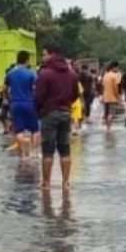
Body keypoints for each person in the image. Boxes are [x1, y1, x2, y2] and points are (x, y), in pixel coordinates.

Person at [34, 44, 80, 190]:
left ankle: (46, 183)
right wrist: (66, 104)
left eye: (44, 54)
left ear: (52, 54)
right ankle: (66, 182)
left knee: (48, 149)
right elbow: (75, 94)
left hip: (49, 113)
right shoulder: (71, 73)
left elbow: (38, 96)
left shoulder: (45, 73)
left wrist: (40, 110)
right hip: (66, 113)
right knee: (65, 149)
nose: (43, 57)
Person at [6, 51, 40, 158]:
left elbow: (4, 89)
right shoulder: (31, 73)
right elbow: (36, 89)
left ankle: (24, 154)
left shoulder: (10, 73)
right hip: (29, 103)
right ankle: (34, 152)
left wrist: (9, 99)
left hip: (15, 103)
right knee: (35, 129)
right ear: (27, 60)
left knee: (19, 130)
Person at [101, 61, 122, 132]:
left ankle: (107, 127)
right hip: (112, 98)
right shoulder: (114, 76)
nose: (117, 69)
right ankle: (109, 128)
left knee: (106, 114)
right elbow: (115, 88)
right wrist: (118, 97)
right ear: (114, 67)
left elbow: (103, 87)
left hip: (105, 97)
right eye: (117, 68)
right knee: (111, 113)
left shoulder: (105, 75)